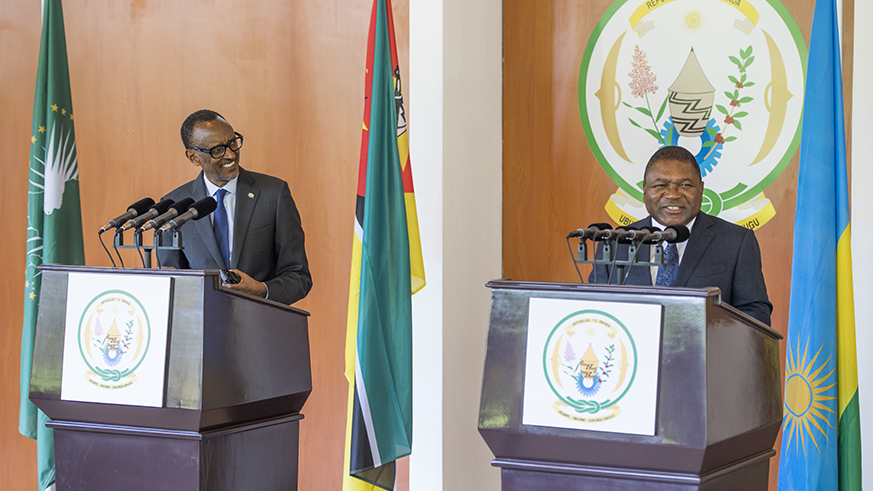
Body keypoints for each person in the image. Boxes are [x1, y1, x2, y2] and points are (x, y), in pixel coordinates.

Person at [589, 146, 772, 325]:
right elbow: (593, 310)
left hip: (707, 353)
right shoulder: (615, 244)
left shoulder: (736, 241)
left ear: (700, 189)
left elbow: (756, 314)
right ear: (645, 190)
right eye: (660, 185)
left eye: (685, 185)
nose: (672, 194)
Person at [157, 109, 312, 305]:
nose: (231, 154)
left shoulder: (274, 194)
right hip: (201, 330)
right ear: (193, 157)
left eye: (232, 143)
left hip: (261, 326)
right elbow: (172, 282)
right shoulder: (175, 207)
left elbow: (299, 277)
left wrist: (261, 290)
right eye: (217, 150)